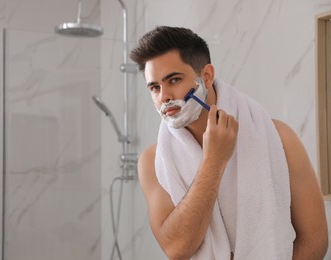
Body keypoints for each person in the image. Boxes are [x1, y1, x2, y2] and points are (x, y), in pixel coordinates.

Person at [130, 26, 328, 260]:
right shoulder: (152, 162)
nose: (164, 96)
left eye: (173, 79)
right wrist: (213, 160)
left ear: (206, 76)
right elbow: (177, 249)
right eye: (155, 87)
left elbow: (316, 240)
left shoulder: (279, 138)